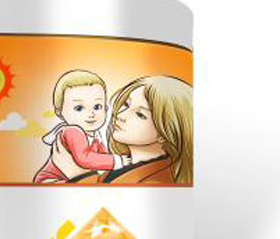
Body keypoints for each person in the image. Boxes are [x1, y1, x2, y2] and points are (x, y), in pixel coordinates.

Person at [50, 76, 193, 185]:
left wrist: (77, 177)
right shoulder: (124, 167)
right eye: (126, 105)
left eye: (140, 114)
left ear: (166, 132)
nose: (120, 115)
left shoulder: (154, 183)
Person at [33, 70, 127, 183]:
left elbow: (102, 156)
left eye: (97, 107)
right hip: (51, 180)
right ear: (60, 113)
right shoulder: (72, 131)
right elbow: (84, 158)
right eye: (79, 108)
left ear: (106, 109)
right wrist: (117, 161)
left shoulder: (95, 135)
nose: (91, 114)